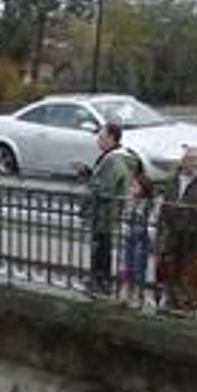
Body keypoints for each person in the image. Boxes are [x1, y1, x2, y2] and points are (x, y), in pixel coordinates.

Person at [154, 146, 197, 314]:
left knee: (194, 272)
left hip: (196, 237)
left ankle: (190, 305)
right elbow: (165, 206)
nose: (195, 164)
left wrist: (195, 222)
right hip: (173, 233)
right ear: (183, 161)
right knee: (172, 269)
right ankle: (171, 301)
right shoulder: (173, 179)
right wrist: (162, 230)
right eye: (191, 160)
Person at [82, 122, 131, 297]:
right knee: (101, 247)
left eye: (101, 137)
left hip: (105, 212)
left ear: (112, 138)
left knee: (101, 248)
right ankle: (98, 281)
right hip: (107, 212)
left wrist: (90, 181)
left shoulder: (114, 158)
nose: (98, 140)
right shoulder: (113, 156)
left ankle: (100, 283)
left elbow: (105, 188)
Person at [120, 157, 156, 307]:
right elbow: (124, 217)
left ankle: (137, 295)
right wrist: (124, 228)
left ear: (143, 188)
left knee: (138, 267)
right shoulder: (129, 201)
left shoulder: (148, 204)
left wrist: (149, 234)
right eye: (131, 186)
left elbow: (153, 222)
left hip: (142, 238)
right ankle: (125, 293)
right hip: (129, 236)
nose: (131, 189)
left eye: (134, 186)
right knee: (126, 265)